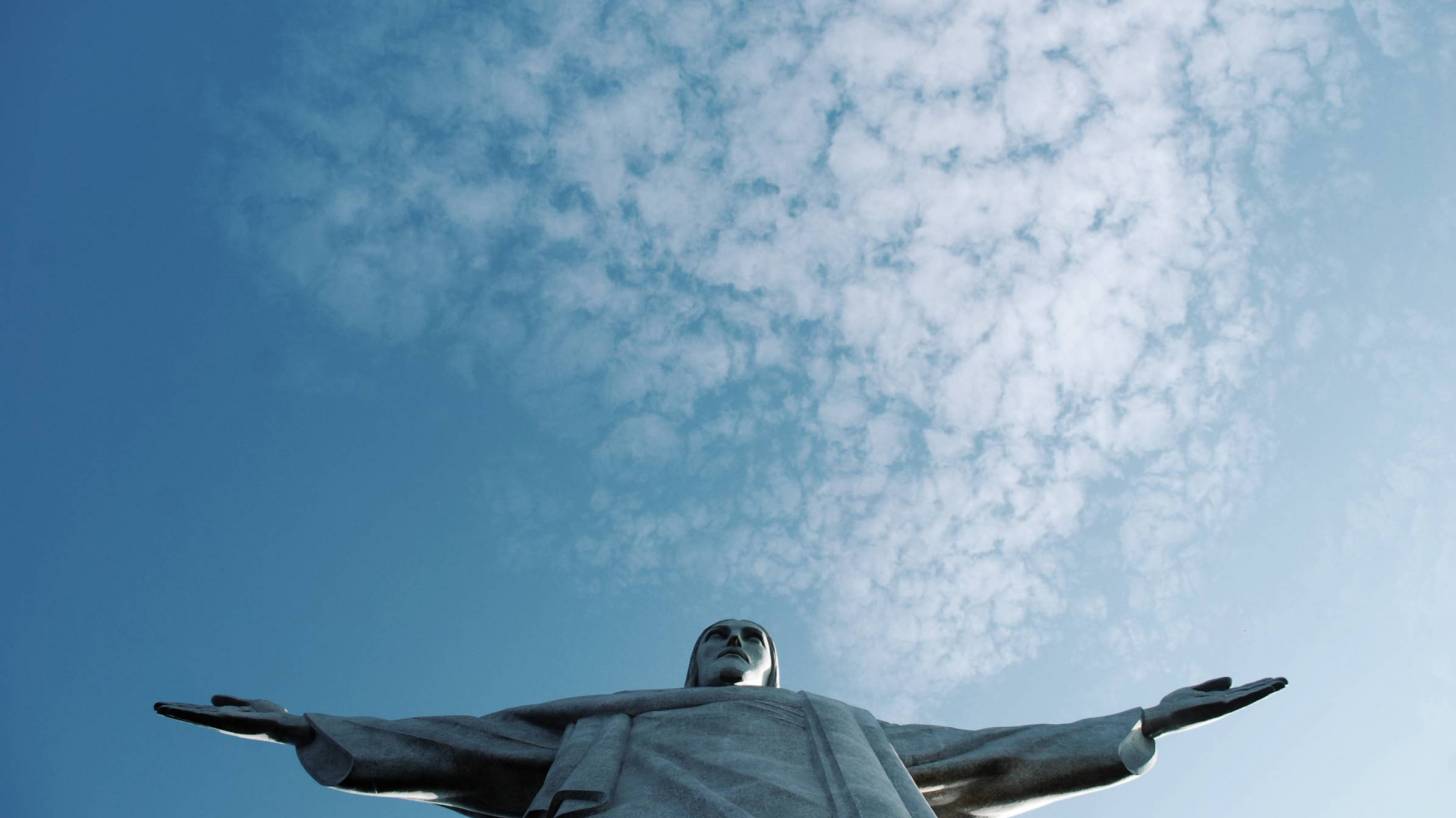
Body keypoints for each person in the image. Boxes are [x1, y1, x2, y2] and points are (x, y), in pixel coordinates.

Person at [156, 618, 1286, 817]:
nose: (734, 641)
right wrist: (307, 723)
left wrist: (1144, 716)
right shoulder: (607, 719)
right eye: (717, 634)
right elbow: (468, 745)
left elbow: (988, 754)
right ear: (689, 660)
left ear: (776, 664)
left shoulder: (841, 727)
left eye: (752, 635)